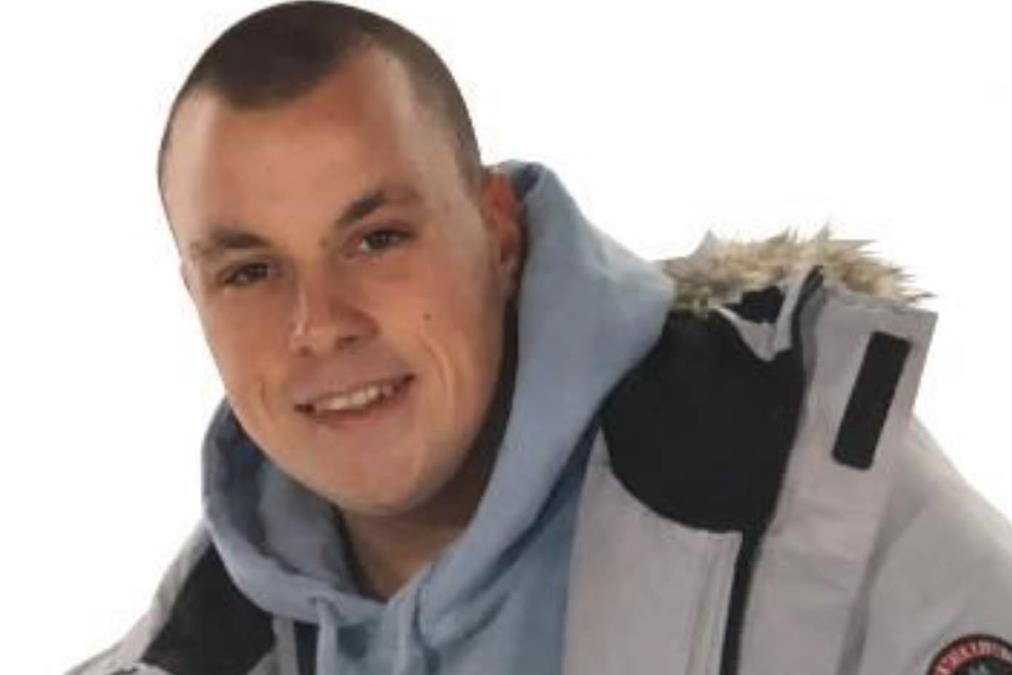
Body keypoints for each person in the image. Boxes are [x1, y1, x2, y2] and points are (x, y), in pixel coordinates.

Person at [69, 2, 1012, 674]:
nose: (320, 326)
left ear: (498, 233)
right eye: (250, 272)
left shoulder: (804, 502)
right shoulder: (189, 650)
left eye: (378, 239)